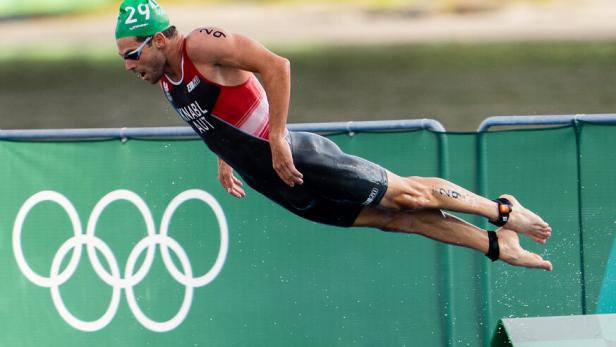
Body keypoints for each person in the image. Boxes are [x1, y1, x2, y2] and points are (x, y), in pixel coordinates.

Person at [115, 0, 553, 271]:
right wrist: (224, 155)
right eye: (123, 60)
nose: (130, 67)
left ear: (157, 39)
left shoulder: (202, 45)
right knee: (394, 221)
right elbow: (218, 114)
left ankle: (500, 211)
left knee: (407, 196)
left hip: (297, 157)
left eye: (132, 55)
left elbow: (276, 66)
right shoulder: (165, 77)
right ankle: (498, 246)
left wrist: (279, 137)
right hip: (270, 181)